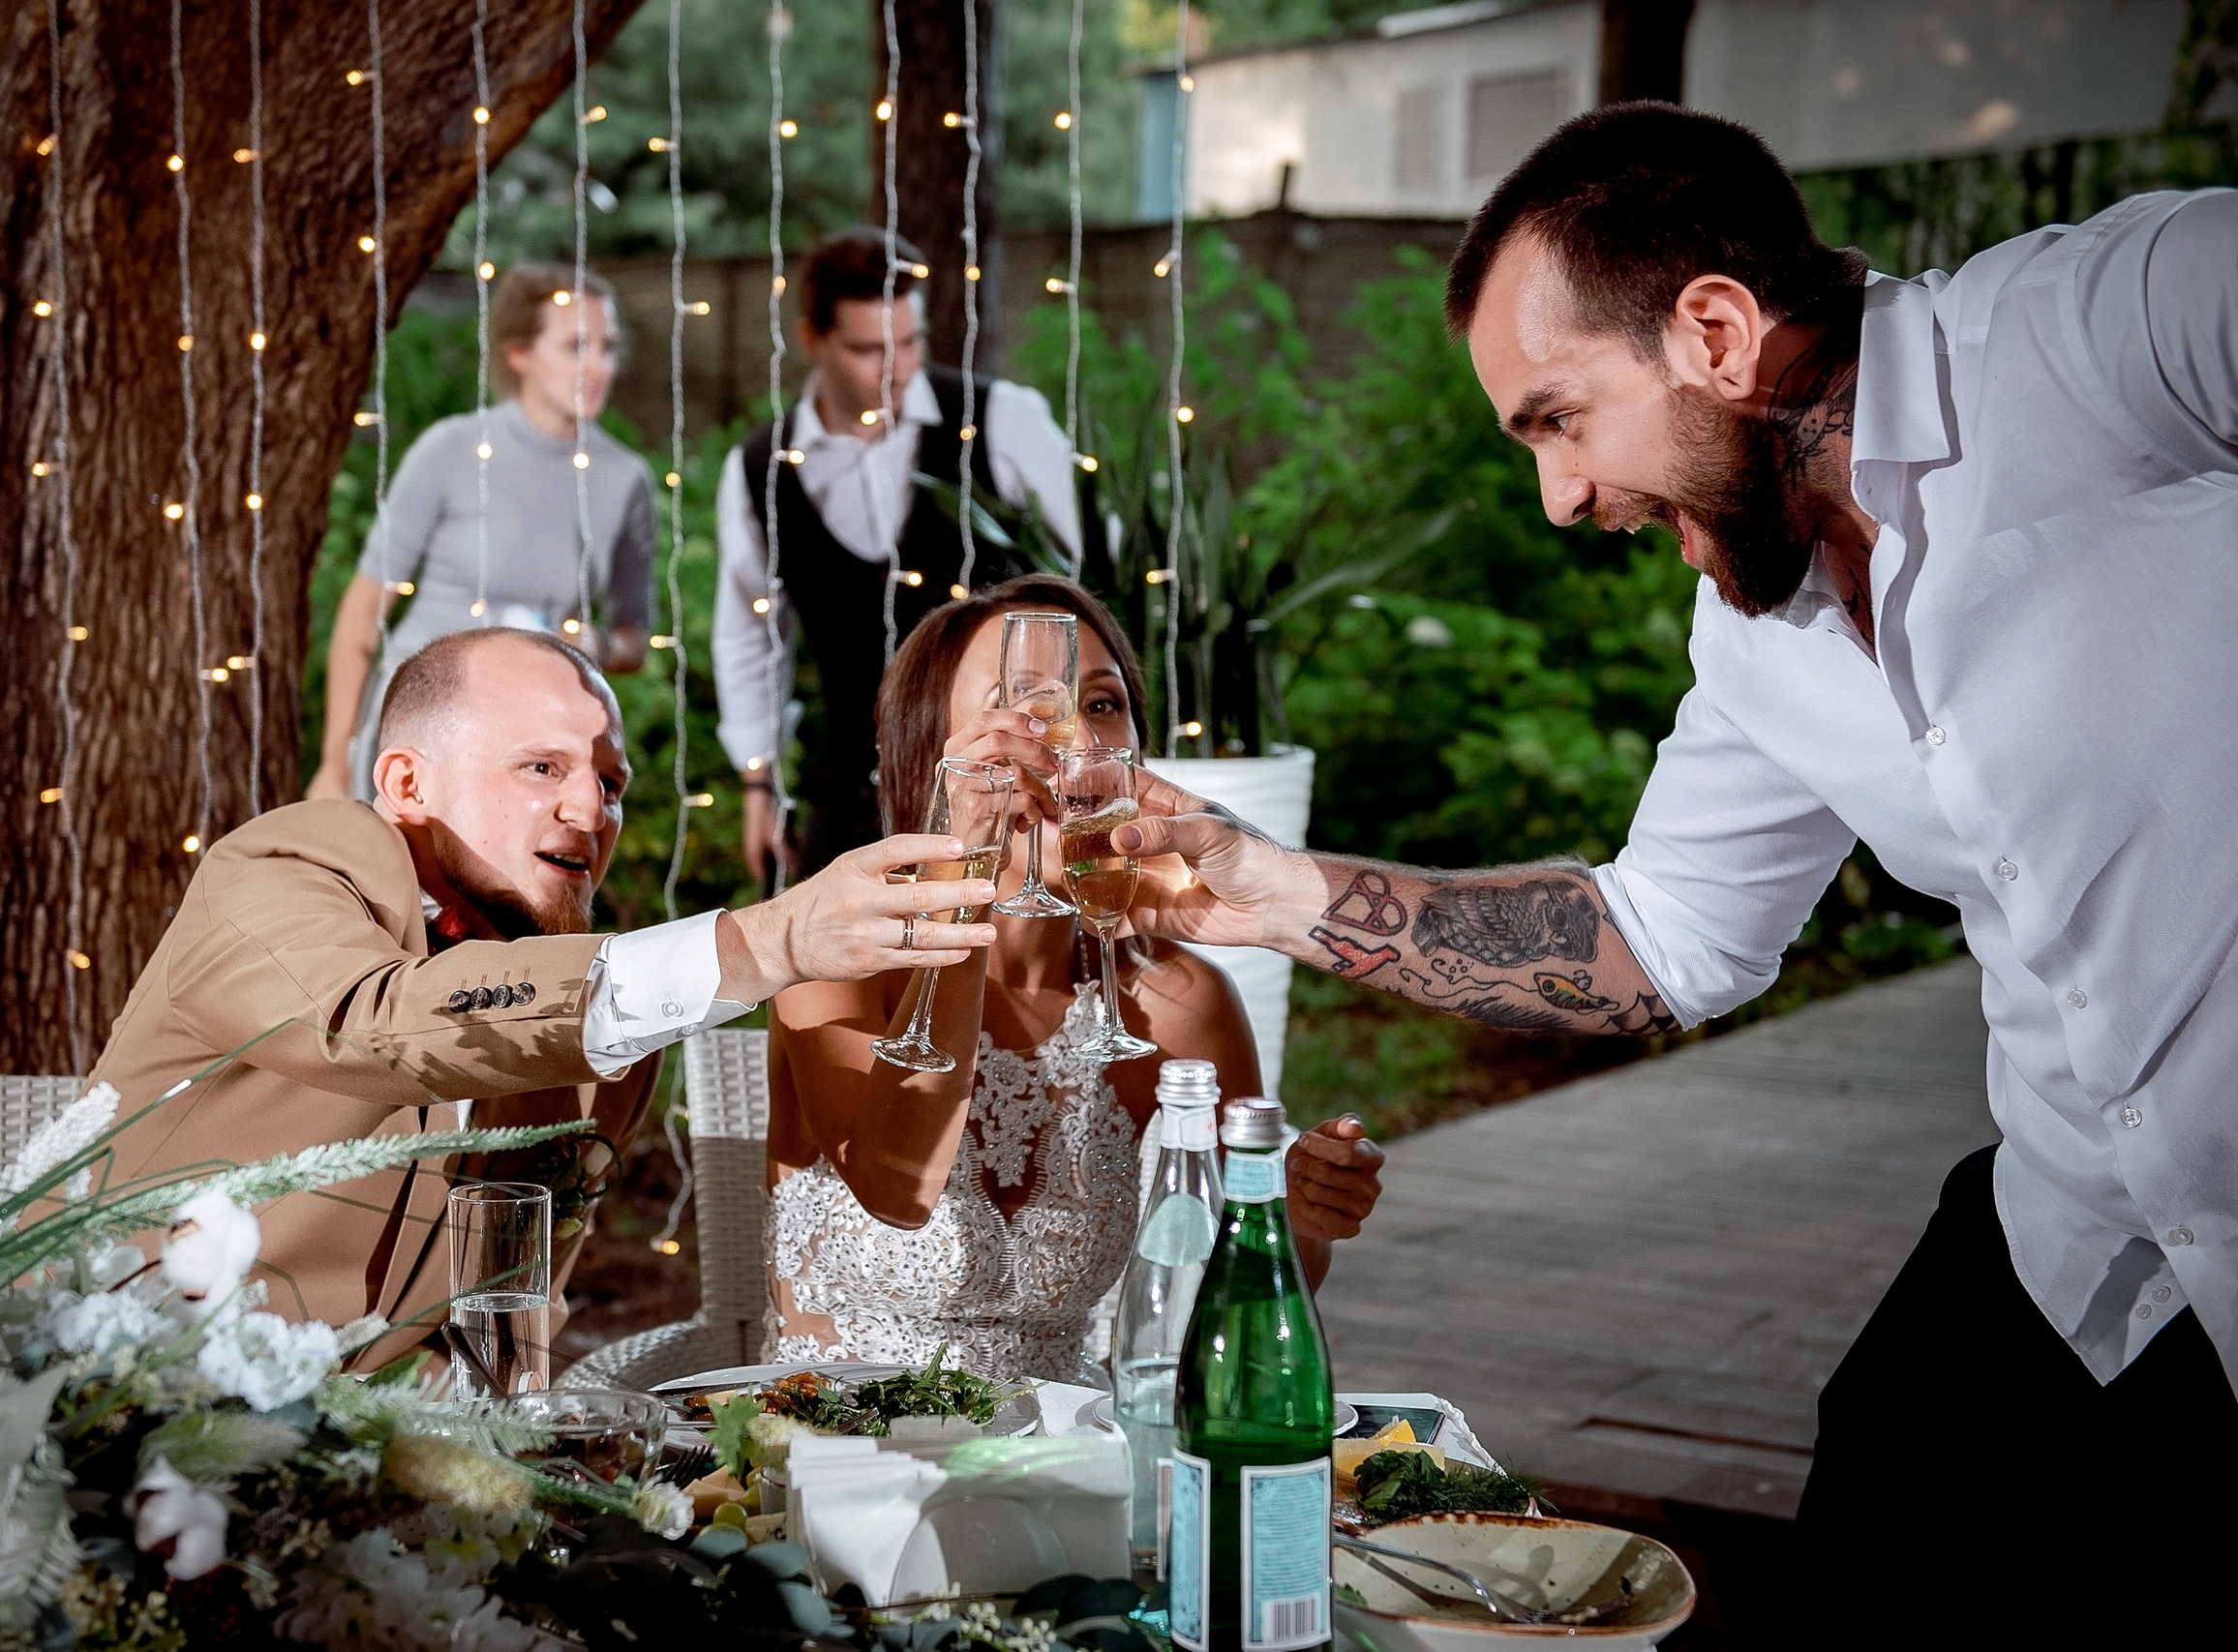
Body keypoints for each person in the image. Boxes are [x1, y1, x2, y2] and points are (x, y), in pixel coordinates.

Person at [1104, 104, 2237, 1637]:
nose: (1563, 498)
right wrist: (1268, 889)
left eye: (1559, 420)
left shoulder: (2106, 329)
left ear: (1715, 332)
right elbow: (1656, 939)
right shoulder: (1756, 631)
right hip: (2069, 1228)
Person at [91, 627, 999, 1372]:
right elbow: (370, 1022)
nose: (590, 811)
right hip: (104, 1403)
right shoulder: (288, 862)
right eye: (540, 768)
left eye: (610, 783)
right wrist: (770, 941)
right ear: (406, 783)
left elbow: (505, 1323)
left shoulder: (608, 1046)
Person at [764, 576, 1385, 1384]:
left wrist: (1300, 1216)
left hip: (1071, 1445)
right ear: (931, 758)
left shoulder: (1175, 1002)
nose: (1075, 743)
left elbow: (1237, 1304)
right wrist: (969, 870)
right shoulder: (833, 955)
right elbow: (895, 1186)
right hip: (841, 1443)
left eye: (1100, 705)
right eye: (1020, 707)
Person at [713, 229, 1083, 885]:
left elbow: (1089, 584)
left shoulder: (1000, 420)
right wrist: (758, 782)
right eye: (869, 350)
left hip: (1007, 796)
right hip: (851, 794)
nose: (898, 369)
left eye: (911, 342)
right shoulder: (760, 467)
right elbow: (750, 635)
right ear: (812, 339)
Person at [308, 263, 657, 803]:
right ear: (519, 353)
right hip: (418, 729)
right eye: (575, 347)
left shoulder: (625, 479)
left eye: (607, 348)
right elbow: (365, 608)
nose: (598, 367)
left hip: (529, 741)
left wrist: (598, 644)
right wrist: (337, 760)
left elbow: (636, 639)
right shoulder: (450, 450)